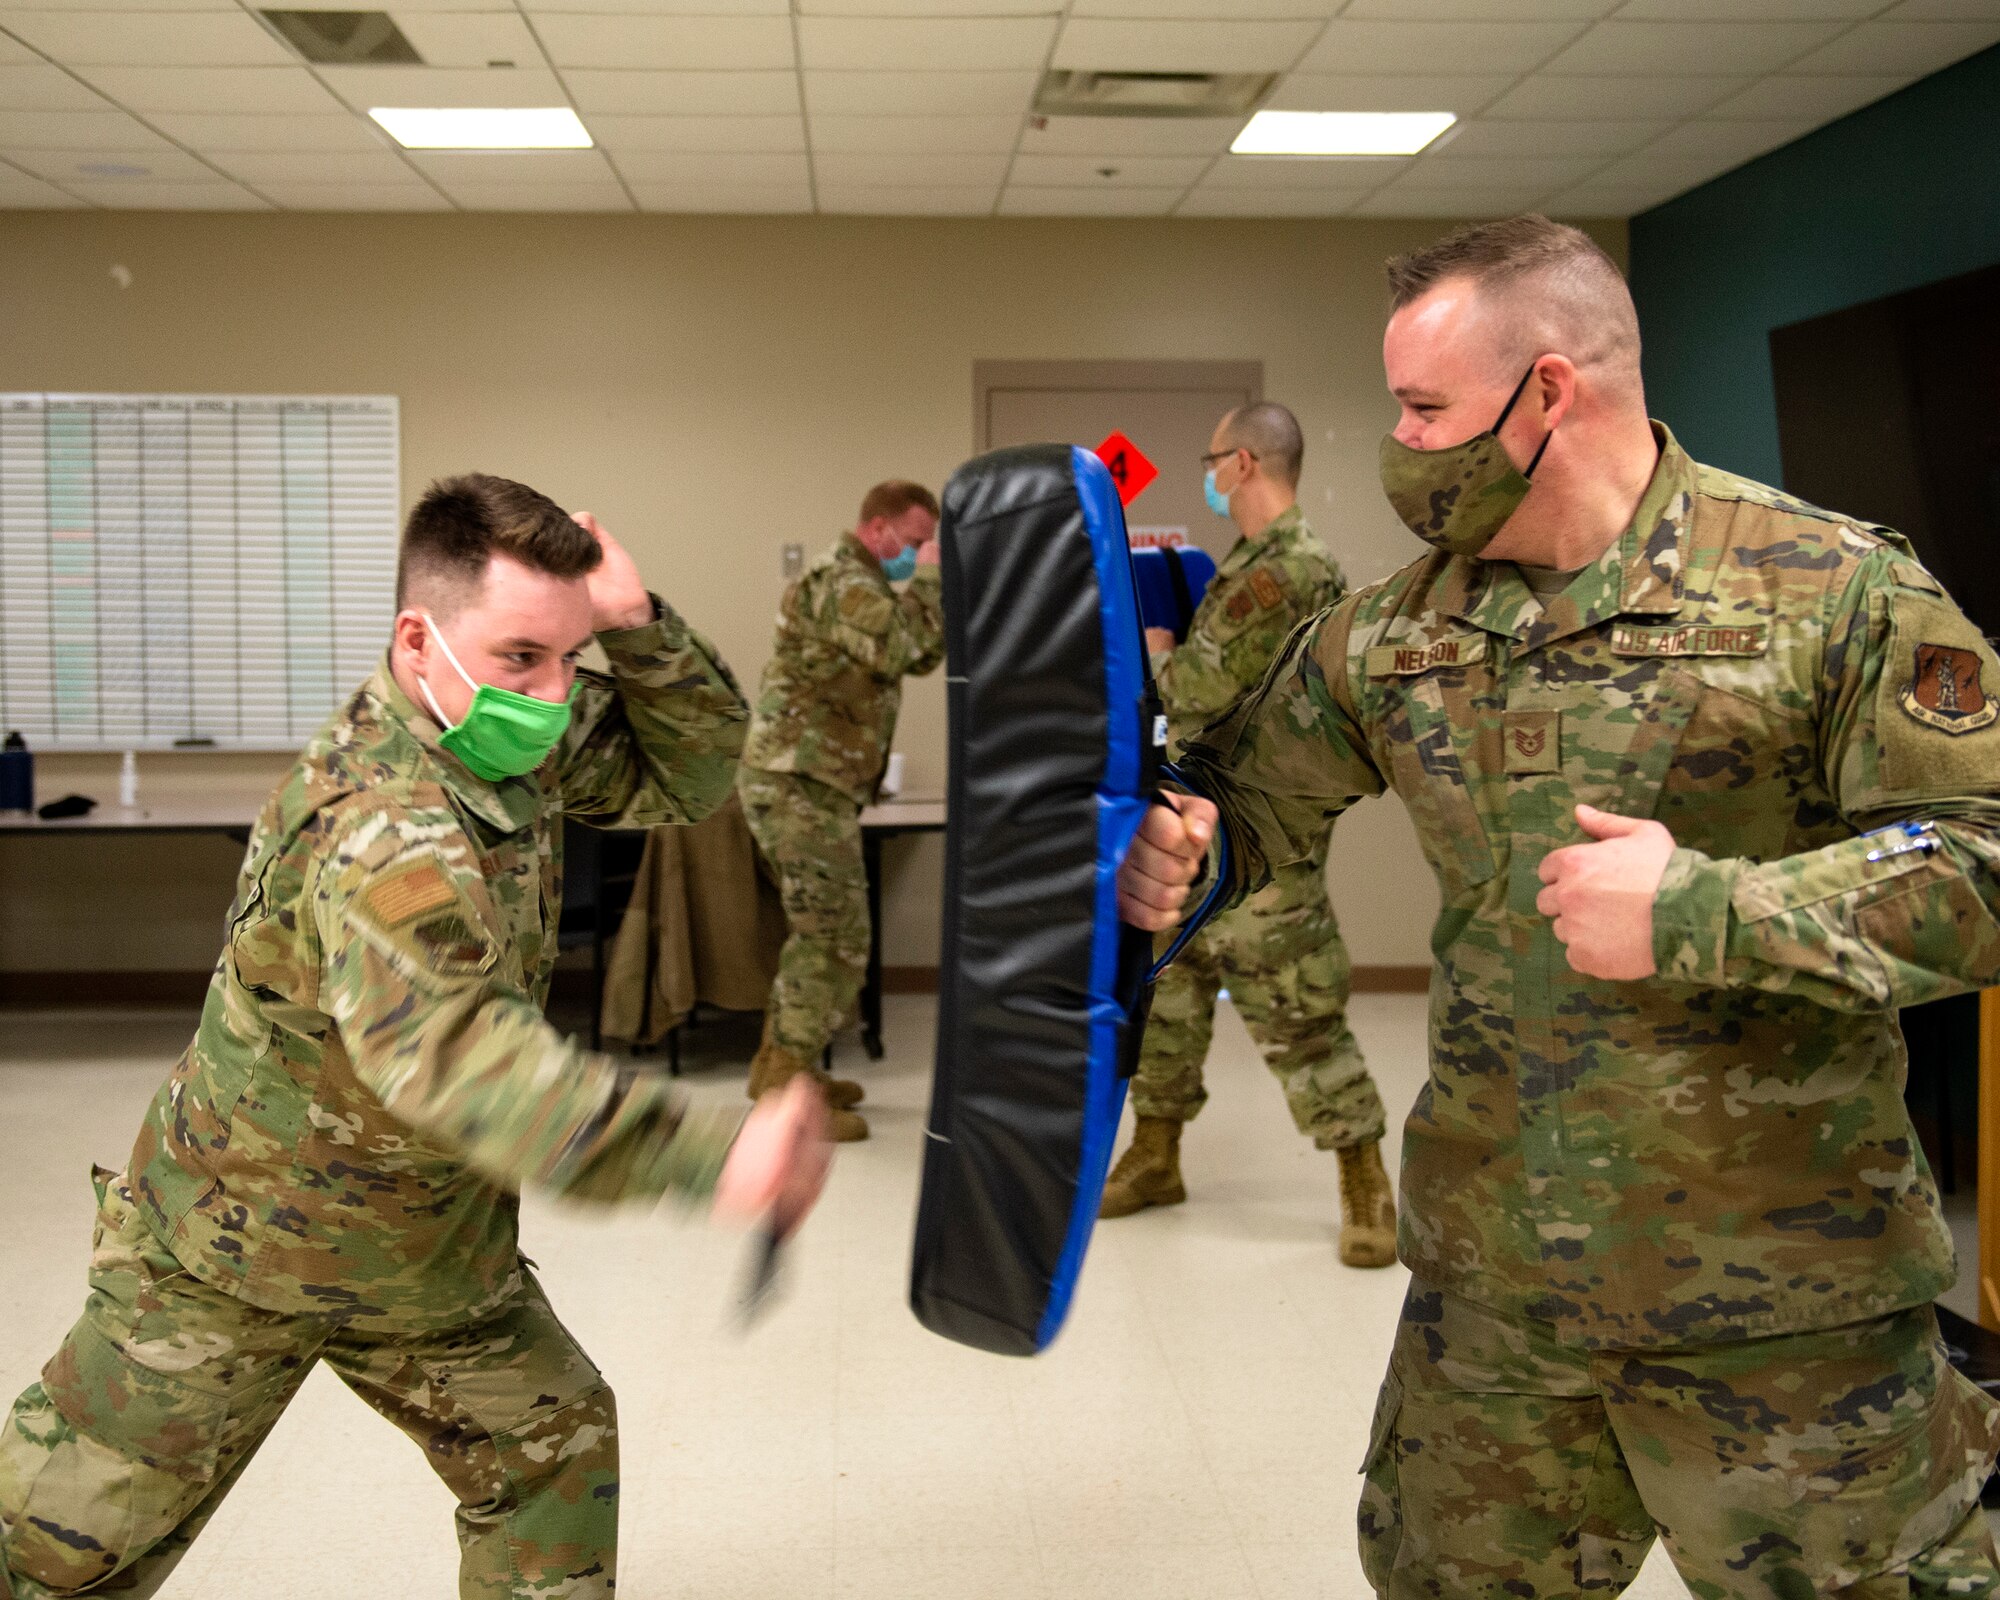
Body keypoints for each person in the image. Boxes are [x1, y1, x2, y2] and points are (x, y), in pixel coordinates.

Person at [1115, 216, 2000, 1596]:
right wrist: (1181, 856)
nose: (1400, 444)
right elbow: (1252, 807)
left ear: (1548, 393)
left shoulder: (1828, 590)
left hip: (1784, 1311)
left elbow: (1985, 857)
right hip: (1496, 1304)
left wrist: (1705, 910)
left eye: (1422, 409)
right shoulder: (1393, 629)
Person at [0, 474, 832, 1600]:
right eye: (518, 659)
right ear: (417, 638)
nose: (547, 696)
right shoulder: (379, 816)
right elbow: (457, 1056)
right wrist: (710, 1154)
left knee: (556, 1451)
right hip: (237, 1252)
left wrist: (636, 628)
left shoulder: (498, 731)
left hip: (424, 1252)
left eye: (563, 657)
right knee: (54, 1556)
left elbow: (687, 773)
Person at [1098, 401, 1395, 1268]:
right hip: (1201, 825)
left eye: (1212, 459)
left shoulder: (1286, 570)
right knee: (1169, 1003)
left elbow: (1193, 685)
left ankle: (1364, 1180)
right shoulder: (1253, 564)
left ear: (1246, 464)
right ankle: (1155, 1157)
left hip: (1260, 838)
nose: (1208, 473)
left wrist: (1155, 641)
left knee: (1299, 1011)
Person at [737, 480, 944, 1142]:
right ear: (878, 529)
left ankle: (782, 1068)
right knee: (836, 938)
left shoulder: (867, 585)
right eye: (913, 542)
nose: (917, 554)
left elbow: (924, 646)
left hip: (814, 782)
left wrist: (929, 589)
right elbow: (908, 649)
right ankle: (783, 1085)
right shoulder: (843, 582)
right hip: (798, 781)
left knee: (823, 934)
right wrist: (937, 578)